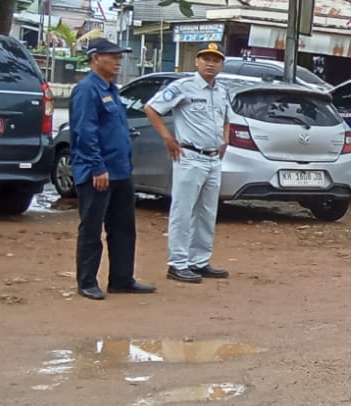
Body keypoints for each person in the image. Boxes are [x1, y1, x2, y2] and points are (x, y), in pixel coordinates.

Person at [70, 38, 155, 300]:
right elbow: (85, 132)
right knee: (92, 229)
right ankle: (87, 282)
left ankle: (121, 278)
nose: (118, 60)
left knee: (123, 228)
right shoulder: (87, 90)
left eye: (120, 56)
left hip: (120, 170)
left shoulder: (112, 89)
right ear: (95, 58)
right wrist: (97, 167)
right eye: (112, 56)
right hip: (99, 172)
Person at [144, 42, 232, 284]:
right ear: (197, 61)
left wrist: (225, 140)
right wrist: (168, 139)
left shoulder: (222, 91)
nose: (211, 64)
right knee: (183, 212)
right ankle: (178, 263)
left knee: (206, 212)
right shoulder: (183, 87)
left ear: (222, 64)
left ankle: (199, 260)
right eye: (206, 59)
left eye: (216, 59)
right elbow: (151, 108)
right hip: (189, 156)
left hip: (213, 159)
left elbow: (227, 118)